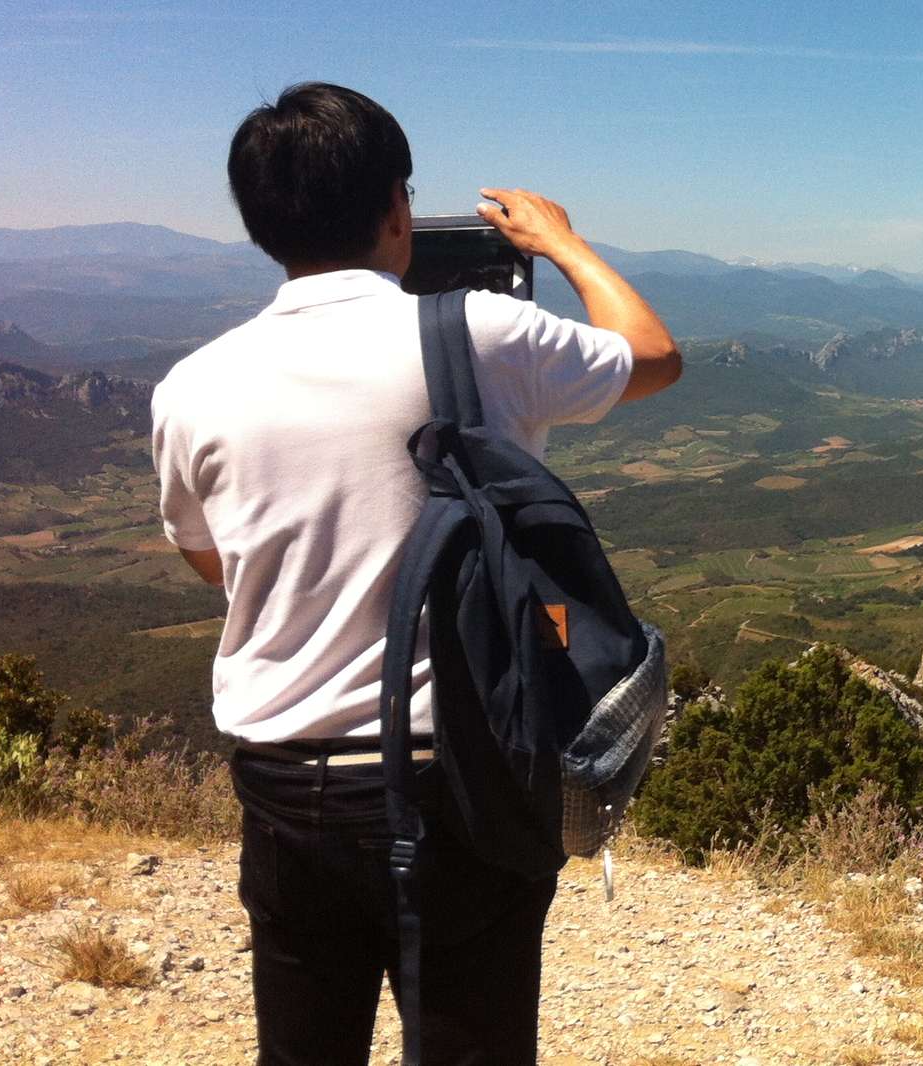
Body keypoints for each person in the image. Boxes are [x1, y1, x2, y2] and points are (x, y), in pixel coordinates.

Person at [149, 82, 681, 1065]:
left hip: (284, 781)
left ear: (259, 223)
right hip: (459, 778)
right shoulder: (481, 335)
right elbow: (652, 354)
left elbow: (209, 558)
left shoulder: (191, 388)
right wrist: (560, 242)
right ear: (397, 206)